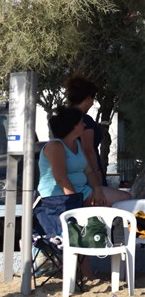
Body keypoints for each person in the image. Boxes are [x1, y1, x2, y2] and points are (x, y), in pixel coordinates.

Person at [36, 107, 130, 236]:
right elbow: (61, 179)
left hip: (82, 190)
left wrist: (97, 190)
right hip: (59, 195)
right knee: (85, 221)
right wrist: (75, 203)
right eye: (81, 122)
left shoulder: (77, 143)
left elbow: (89, 171)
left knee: (124, 199)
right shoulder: (55, 146)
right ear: (72, 126)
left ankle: (105, 235)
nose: (84, 125)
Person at [64, 76, 108, 205]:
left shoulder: (64, 118)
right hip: (88, 171)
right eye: (93, 99)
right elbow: (88, 149)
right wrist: (96, 173)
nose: (92, 103)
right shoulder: (85, 120)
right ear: (88, 98)